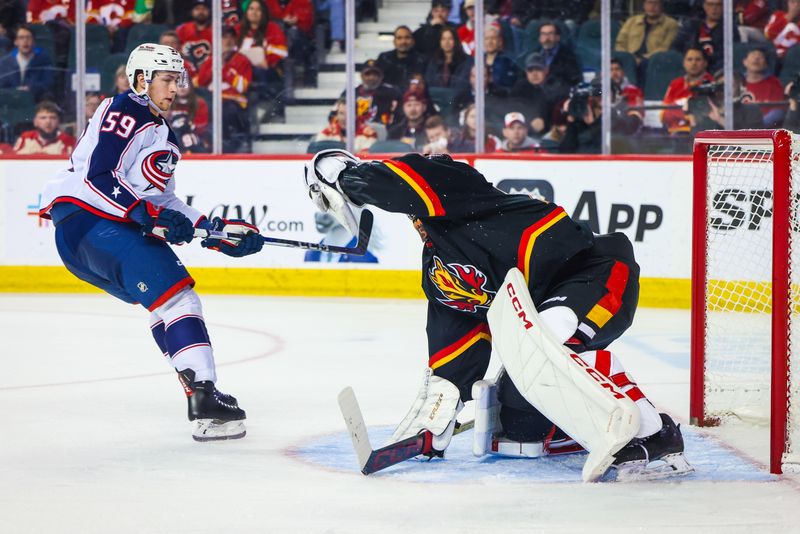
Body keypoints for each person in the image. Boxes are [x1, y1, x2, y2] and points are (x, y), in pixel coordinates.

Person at [302, 150, 692, 481]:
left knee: (550, 341)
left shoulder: (464, 193)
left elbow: (407, 179)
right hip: (543, 309)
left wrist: (346, 178)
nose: (416, 219)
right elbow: (458, 345)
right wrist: (439, 410)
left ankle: (655, 434)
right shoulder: (441, 269)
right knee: (522, 426)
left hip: (597, 272)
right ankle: (581, 429)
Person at [37, 43, 263, 442]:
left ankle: (204, 405)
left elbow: (162, 200)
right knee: (181, 299)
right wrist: (147, 215)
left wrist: (216, 231)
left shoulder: (165, 136)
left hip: (88, 237)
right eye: (166, 78)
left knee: (165, 309)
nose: (175, 87)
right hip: (90, 221)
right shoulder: (125, 109)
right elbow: (99, 176)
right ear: (141, 79)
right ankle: (205, 397)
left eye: (178, 79)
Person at [196, 26, 253, 152]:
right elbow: (201, 82)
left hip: (233, 102)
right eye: (224, 37)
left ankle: (227, 146)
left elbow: (242, 87)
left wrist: (226, 69)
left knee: (226, 111)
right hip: (211, 99)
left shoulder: (242, 60)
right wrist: (216, 64)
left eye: (231, 37)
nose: (228, 40)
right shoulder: (211, 60)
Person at [614, 0, 679, 82]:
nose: (652, 7)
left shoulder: (671, 24)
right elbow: (620, 43)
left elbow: (666, 47)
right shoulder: (632, 21)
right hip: (629, 59)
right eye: (649, 3)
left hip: (653, 61)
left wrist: (643, 58)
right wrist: (629, 59)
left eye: (655, 3)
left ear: (662, 5)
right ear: (644, 5)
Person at [509, 52, 568, 138]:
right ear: (526, 72)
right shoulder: (519, 89)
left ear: (546, 70)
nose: (534, 74)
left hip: (552, 134)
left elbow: (561, 116)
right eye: (530, 70)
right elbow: (512, 112)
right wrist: (529, 122)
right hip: (523, 134)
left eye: (538, 69)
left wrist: (546, 123)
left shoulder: (557, 88)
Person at [672, 0, 738, 73]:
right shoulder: (691, 25)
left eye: (718, 5)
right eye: (710, 4)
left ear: (724, 7)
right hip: (689, 66)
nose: (714, 8)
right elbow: (676, 46)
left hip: (716, 69)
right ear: (704, 6)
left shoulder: (729, 28)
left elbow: (729, 54)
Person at [661, 46, 713, 135]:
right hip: (675, 135)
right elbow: (664, 114)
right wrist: (687, 116)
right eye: (689, 59)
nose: (693, 63)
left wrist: (678, 114)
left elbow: (709, 116)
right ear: (684, 63)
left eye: (698, 59)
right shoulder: (675, 84)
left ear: (705, 63)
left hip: (701, 134)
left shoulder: (712, 84)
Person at [0, 24, 54, 101]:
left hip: (35, 103)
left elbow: (48, 84)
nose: (25, 41)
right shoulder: (5, 63)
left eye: (28, 37)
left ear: (34, 41)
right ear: (16, 42)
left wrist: (30, 88)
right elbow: (2, 88)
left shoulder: (44, 61)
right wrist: (15, 91)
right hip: (10, 105)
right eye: (21, 38)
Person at [345, 59, 400, 128]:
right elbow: (334, 115)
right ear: (361, 76)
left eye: (375, 74)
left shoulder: (392, 93)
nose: (371, 77)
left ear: (381, 76)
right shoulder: (351, 93)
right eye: (367, 74)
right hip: (356, 132)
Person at [313, 98, 378, 152]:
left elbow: (367, 157)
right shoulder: (327, 132)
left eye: (348, 114)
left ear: (355, 115)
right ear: (337, 115)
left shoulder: (369, 134)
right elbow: (317, 151)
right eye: (341, 113)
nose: (344, 118)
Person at [742, 47, 785, 127]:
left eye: (760, 56)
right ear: (745, 62)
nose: (756, 58)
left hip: (764, 130)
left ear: (765, 65)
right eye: (753, 55)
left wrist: (757, 126)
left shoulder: (774, 83)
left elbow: (778, 111)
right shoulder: (736, 82)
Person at [376, 25, 427, 90]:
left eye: (407, 37)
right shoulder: (384, 58)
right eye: (399, 38)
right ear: (394, 41)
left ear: (413, 41)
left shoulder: (423, 61)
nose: (403, 41)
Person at [424, 26, 473, 93]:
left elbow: (463, 84)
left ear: (456, 41)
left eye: (450, 39)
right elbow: (429, 82)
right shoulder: (433, 62)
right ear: (440, 42)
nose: (446, 42)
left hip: (460, 98)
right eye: (443, 39)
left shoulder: (467, 61)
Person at [537, 21, 582, 87]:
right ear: (539, 38)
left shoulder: (568, 56)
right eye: (543, 34)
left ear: (557, 37)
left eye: (550, 34)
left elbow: (573, 80)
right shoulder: (534, 54)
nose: (547, 38)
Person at [176, 0, 213, 77]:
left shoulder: (215, 31)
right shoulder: (182, 29)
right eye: (197, 9)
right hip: (185, 73)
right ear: (192, 12)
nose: (201, 12)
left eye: (204, 9)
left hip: (209, 74)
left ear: (209, 11)